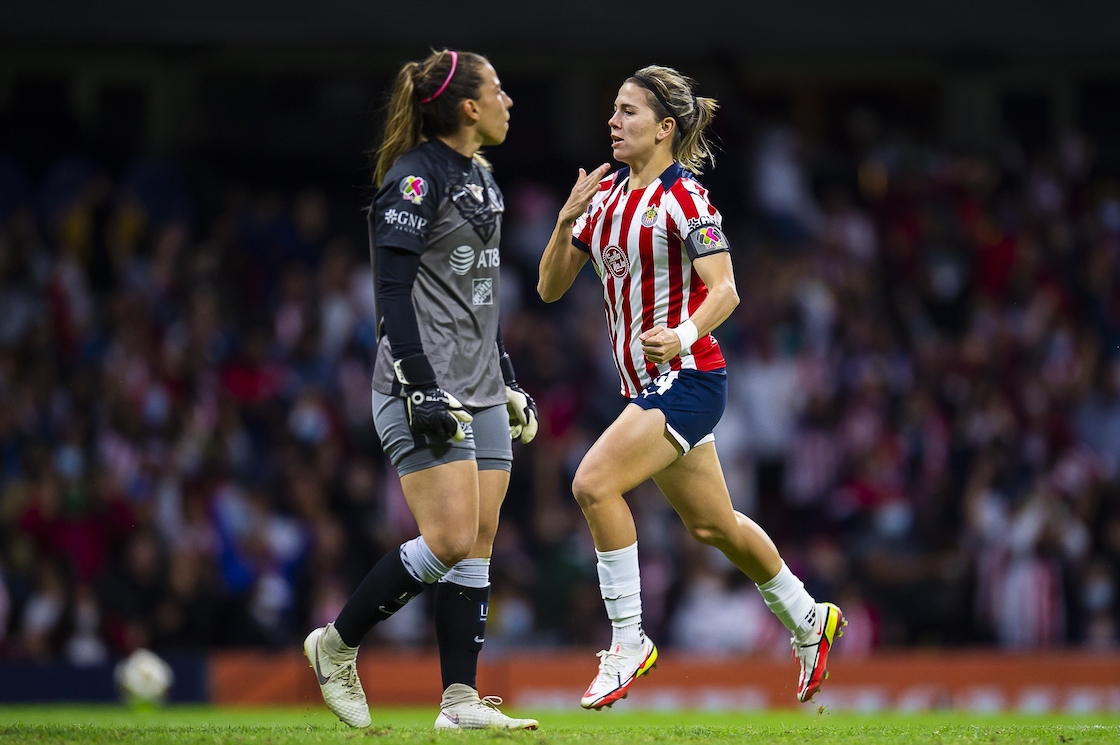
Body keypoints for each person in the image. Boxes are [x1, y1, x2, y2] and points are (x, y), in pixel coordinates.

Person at [537, 65, 844, 709]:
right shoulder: (606, 198)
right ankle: (807, 616)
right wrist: (567, 220)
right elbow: (550, 288)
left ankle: (626, 642)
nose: (613, 122)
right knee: (713, 527)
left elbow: (727, 289)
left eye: (628, 112)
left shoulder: (687, 200)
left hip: (688, 376)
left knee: (593, 483)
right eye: (613, 110)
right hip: (644, 386)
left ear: (665, 128)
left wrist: (678, 335)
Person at [303, 49, 540, 731]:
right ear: (468, 107)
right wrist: (421, 385)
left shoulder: (481, 180)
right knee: (450, 538)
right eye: (498, 89)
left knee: (482, 537)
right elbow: (392, 294)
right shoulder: (413, 179)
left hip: (482, 386)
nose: (508, 100)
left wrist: (508, 377)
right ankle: (336, 643)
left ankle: (459, 699)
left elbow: (477, 299)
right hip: (425, 385)